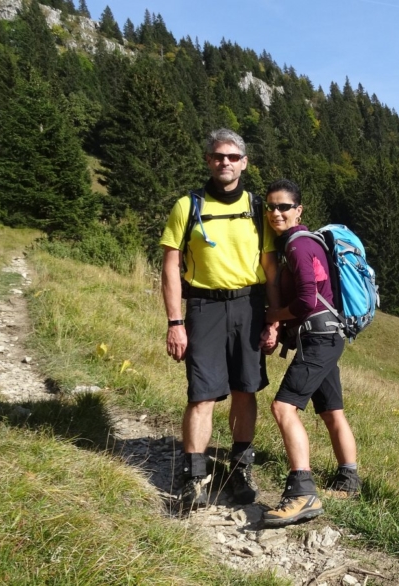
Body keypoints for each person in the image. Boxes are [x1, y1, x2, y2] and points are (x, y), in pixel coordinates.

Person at [159, 128, 278, 510]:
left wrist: (273, 319)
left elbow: (270, 267)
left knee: (246, 389)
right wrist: (175, 322)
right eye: (217, 156)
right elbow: (171, 266)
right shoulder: (187, 205)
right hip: (203, 307)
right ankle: (193, 476)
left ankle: (239, 468)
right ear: (208, 161)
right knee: (202, 393)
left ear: (244, 163)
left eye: (232, 157)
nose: (224, 162)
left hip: (249, 305)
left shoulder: (260, 208)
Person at [259, 179, 361, 528]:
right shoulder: (300, 243)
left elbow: (305, 300)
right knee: (332, 411)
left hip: (318, 339)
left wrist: (273, 316)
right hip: (327, 337)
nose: (276, 213)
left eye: (284, 207)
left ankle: (302, 491)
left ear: (298, 210)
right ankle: (349, 483)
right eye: (270, 206)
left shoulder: (299, 247)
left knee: (282, 407)